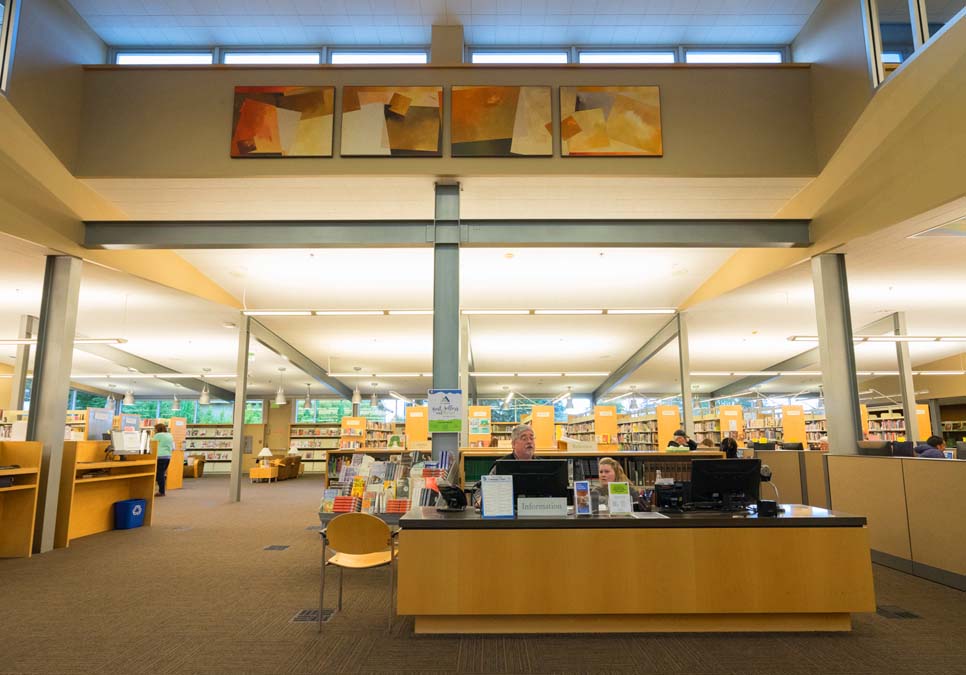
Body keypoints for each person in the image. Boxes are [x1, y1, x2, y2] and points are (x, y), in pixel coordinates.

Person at [473, 424, 536, 507]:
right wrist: (481, 499)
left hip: (538, 511)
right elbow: (481, 491)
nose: (529, 441)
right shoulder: (501, 465)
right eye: (524, 438)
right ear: (513, 444)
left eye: (532, 438)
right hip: (507, 513)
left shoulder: (545, 465)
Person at [153, 422, 175, 497]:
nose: (154, 430)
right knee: (161, 474)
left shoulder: (158, 435)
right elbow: (173, 447)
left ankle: (161, 491)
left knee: (159, 475)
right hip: (167, 456)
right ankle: (161, 490)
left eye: (155, 429)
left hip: (159, 456)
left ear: (157, 429)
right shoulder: (170, 435)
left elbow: (152, 443)